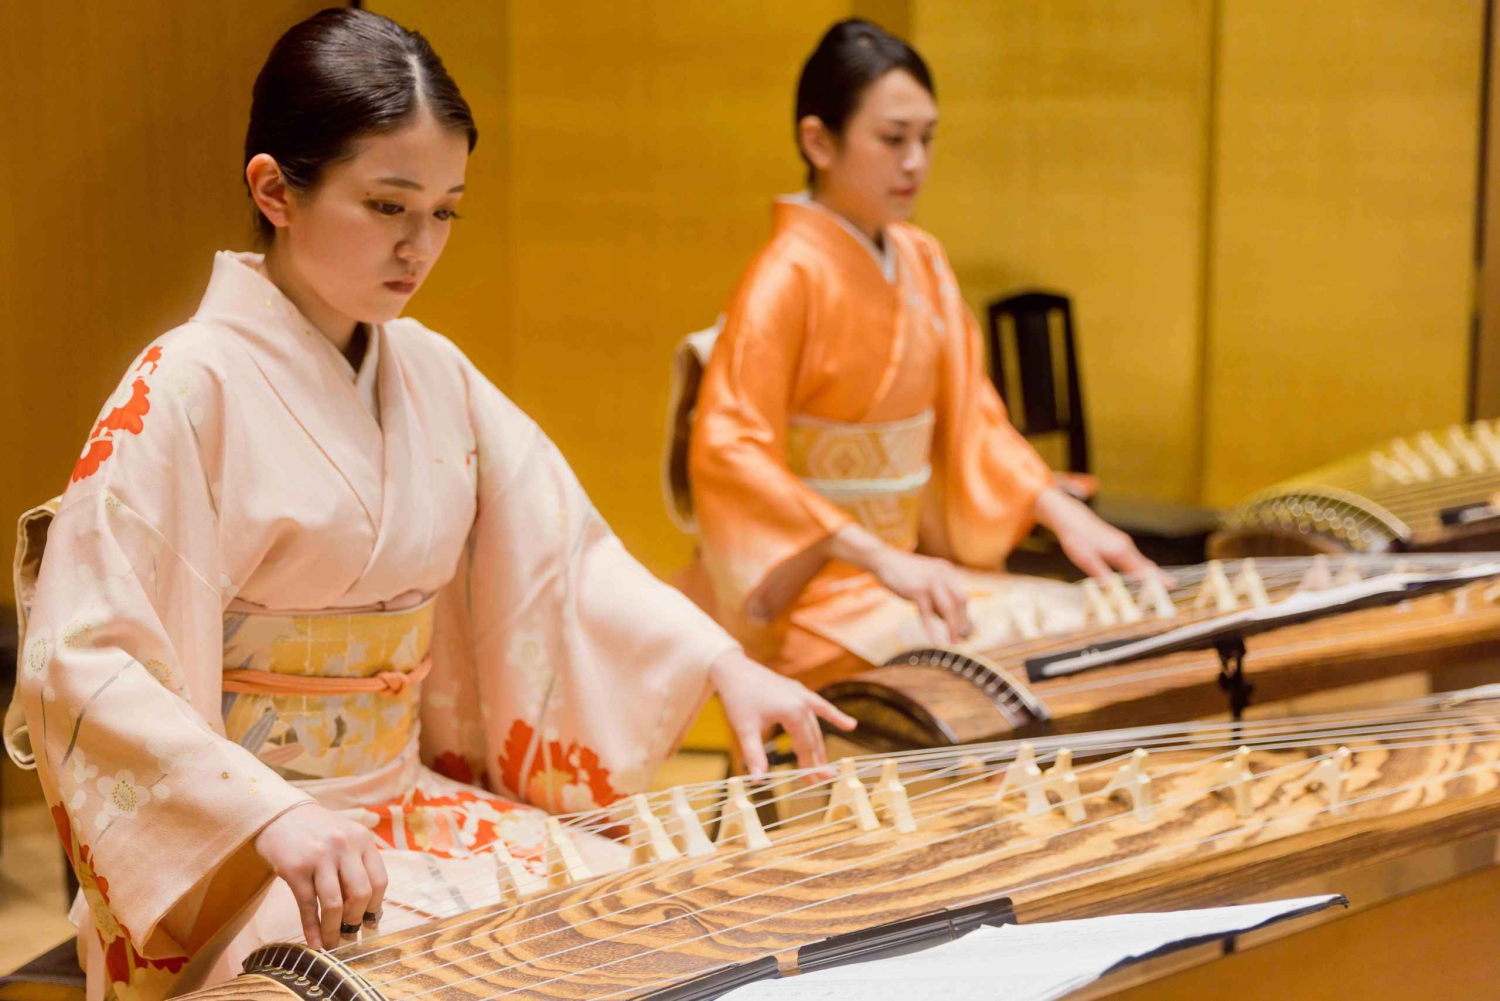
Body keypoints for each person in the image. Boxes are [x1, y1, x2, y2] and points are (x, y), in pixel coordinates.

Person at [2, 10, 851, 1001]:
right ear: (274, 189)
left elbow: (564, 558)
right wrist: (267, 814)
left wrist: (717, 661)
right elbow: (86, 656)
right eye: (387, 205)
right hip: (256, 858)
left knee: (646, 922)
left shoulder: (433, 372)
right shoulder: (184, 388)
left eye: (446, 211)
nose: (420, 246)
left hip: (405, 806)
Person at [676, 20, 1157, 688]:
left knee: (1083, 626)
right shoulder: (784, 277)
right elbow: (731, 451)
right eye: (893, 139)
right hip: (814, 597)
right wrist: (877, 557)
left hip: (910, 576)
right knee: (1019, 660)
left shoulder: (921, 258)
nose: (915, 162)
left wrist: (1060, 510)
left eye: (927, 139)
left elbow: (974, 418)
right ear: (819, 141)